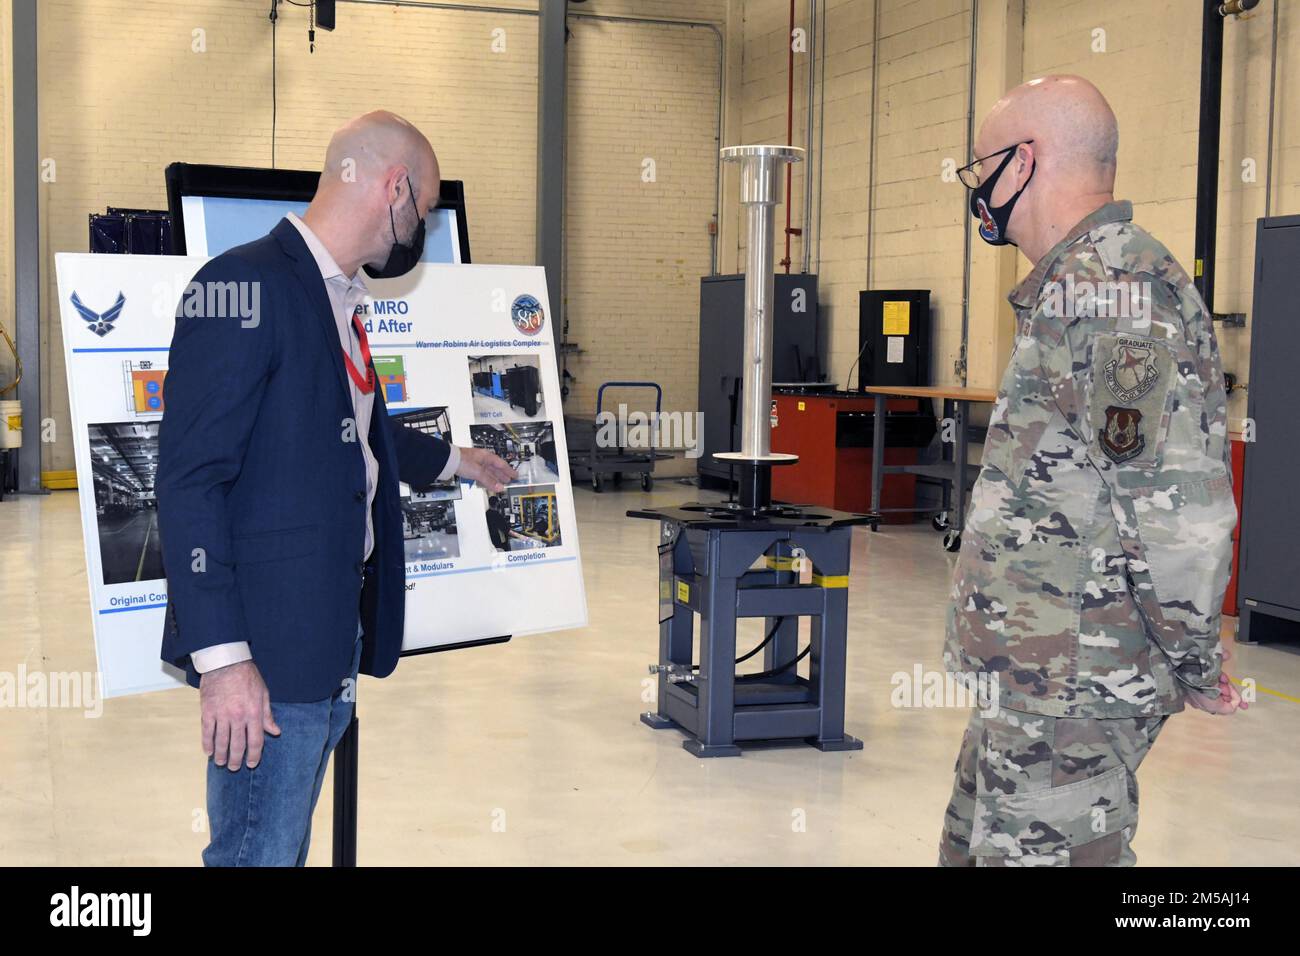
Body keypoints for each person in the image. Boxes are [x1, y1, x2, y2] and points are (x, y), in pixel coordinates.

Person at [157, 111, 517, 866]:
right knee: (256, 853)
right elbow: (191, 482)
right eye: (420, 213)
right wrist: (223, 664)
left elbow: (358, 440)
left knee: (280, 849)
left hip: (329, 639)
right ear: (395, 188)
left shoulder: (338, 300)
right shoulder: (241, 285)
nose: (416, 229)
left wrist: (459, 462)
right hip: (268, 652)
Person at [939, 76, 1244, 867]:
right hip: (1034, 672)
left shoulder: (1115, 293)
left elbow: (1175, 511)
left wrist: (1195, 655)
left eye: (982, 169)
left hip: (1075, 680)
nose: (978, 191)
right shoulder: (1079, 285)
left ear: (1023, 162)